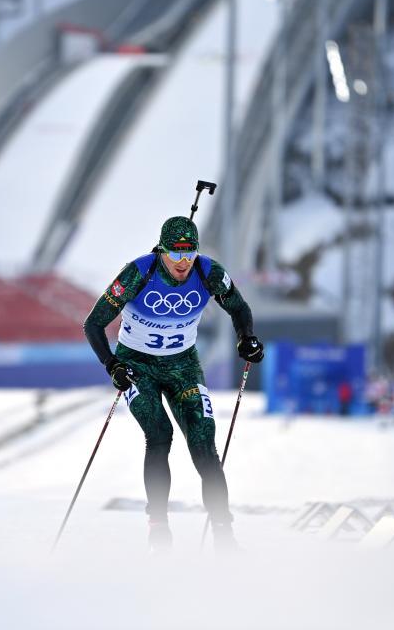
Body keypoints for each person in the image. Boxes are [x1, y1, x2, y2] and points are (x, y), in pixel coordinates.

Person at [82, 215, 264, 552]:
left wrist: (247, 338)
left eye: (190, 253)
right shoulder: (138, 272)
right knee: (159, 435)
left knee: (203, 442)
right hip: (138, 365)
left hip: (183, 365)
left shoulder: (208, 272)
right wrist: (112, 365)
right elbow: (93, 324)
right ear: (161, 251)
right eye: (176, 254)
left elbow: (239, 308)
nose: (183, 263)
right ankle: (159, 526)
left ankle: (224, 533)